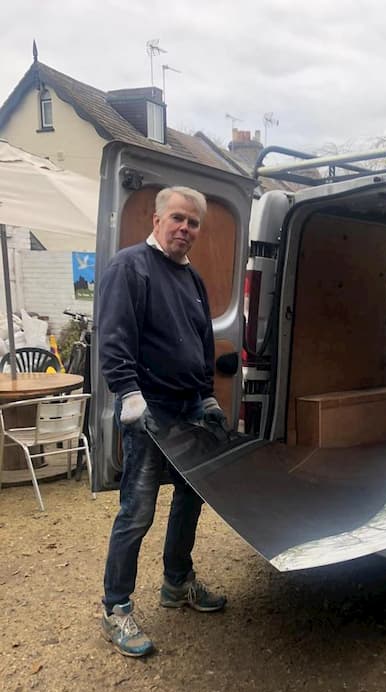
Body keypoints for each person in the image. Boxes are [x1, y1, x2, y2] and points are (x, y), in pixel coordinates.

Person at [98, 185, 228, 658]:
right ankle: (115, 608)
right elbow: (113, 338)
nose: (185, 229)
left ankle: (176, 584)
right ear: (156, 221)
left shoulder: (191, 278)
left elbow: (202, 343)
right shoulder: (129, 267)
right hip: (149, 409)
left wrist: (207, 397)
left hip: (188, 407)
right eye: (177, 219)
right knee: (137, 511)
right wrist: (128, 394)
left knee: (191, 498)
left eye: (193, 223)